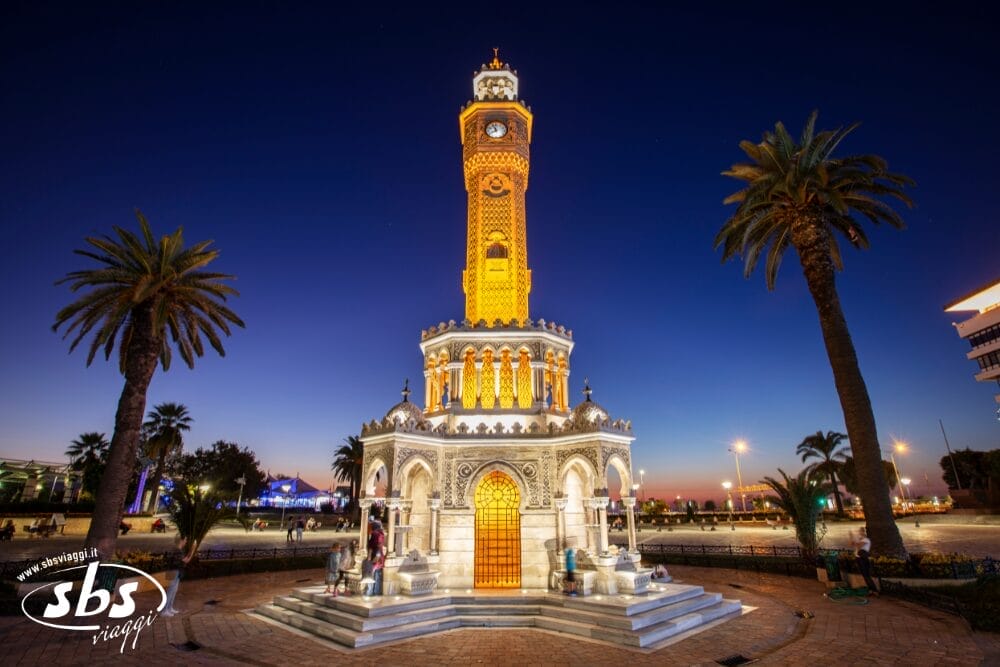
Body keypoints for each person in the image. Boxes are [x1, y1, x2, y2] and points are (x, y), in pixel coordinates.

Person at [162, 535, 195, 616]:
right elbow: (186, 560)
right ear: (181, 540)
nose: (186, 542)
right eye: (185, 540)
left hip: (174, 571)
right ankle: (164, 610)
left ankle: (169, 608)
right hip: (173, 572)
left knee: (173, 590)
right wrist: (192, 550)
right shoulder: (177, 550)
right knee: (170, 591)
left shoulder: (177, 549)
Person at [850, 527, 879, 596]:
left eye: (861, 531)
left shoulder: (866, 540)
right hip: (859, 558)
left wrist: (855, 541)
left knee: (867, 575)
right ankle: (870, 590)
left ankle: (875, 590)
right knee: (864, 575)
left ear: (864, 532)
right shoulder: (860, 540)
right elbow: (852, 544)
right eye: (859, 531)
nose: (859, 533)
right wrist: (852, 537)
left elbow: (859, 546)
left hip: (863, 558)